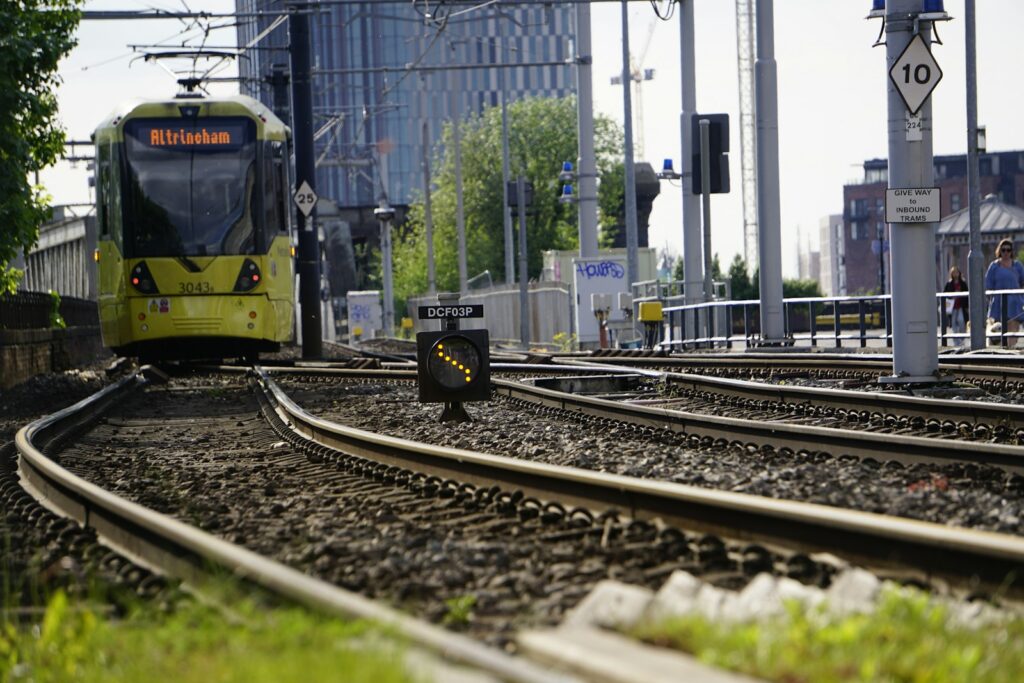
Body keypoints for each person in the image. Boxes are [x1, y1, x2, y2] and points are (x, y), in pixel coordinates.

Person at [984, 238, 1024, 347]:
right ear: (999, 251)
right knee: (999, 329)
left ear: (1012, 251)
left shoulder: (1017, 266)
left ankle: (1010, 349)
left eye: (1008, 250)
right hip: (999, 302)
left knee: (1013, 328)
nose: (1006, 252)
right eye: (1003, 250)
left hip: (1015, 302)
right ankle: (1002, 349)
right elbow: (988, 285)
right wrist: (990, 299)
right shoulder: (994, 266)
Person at [943, 265, 969, 345]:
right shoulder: (949, 284)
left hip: (961, 306)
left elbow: (967, 294)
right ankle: (956, 342)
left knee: (961, 321)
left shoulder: (963, 283)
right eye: (954, 272)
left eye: (956, 272)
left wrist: (966, 305)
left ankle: (962, 339)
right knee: (954, 323)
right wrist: (951, 296)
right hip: (952, 307)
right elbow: (945, 294)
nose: (955, 274)